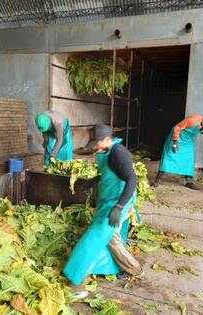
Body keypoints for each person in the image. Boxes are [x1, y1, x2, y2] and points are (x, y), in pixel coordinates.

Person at [63, 125, 143, 298]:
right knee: (110, 238)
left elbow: (131, 180)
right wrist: (95, 179)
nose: (94, 147)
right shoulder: (106, 151)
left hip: (118, 201)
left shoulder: (118, 153)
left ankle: (77, 285)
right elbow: (113, 172)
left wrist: (119, 208)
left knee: (93, 239)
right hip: (107, 200)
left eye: (97, 143)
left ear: (107, 139)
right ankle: (135, 269)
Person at [153, 111, 203, 190]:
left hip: (188, 140)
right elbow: (177, 127)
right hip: (176, 136)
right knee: (169, 156)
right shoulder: (194, 119)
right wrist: (175, 142)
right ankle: (157, 180)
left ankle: (189, 182)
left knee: (189, 159)